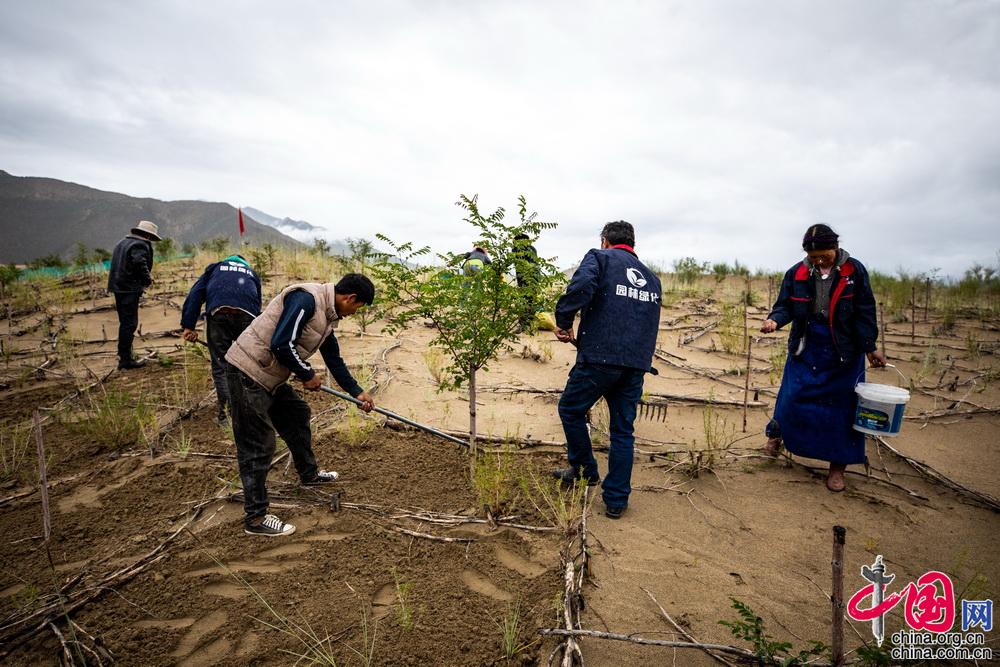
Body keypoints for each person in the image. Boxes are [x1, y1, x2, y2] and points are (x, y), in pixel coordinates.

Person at [225, 273, 377, 537]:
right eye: (358, 307)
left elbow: (334, 360)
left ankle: (309, 474)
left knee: (296, 414)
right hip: (247, 371)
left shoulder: (327, 317)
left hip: (268, 375)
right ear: (350, 298)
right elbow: (281, 344)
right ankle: (256, 518)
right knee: (258, 445)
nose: (355, 312)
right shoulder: (306, 299)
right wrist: (306, 374)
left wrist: (357, 392)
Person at [760, 224, 886, 492]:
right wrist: (774, 321)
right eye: (813, 257)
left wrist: (870, 346)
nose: (818, 261)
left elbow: (865, 310)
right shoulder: (797, 272)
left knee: (841, 410)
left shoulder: (855, 270)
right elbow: (784, 306)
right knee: (791, 397)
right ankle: (776, 436)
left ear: (835, 248)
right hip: (806, 346)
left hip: (844, 350)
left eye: (823, 256)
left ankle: (837, 468)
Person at [552, 221, 662, 519]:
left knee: (571, 409)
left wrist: (563, 321)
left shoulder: (599, 258)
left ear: (604, 241)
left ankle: (585, 471)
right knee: (623, 432)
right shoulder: (652, 278)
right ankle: (616, 501)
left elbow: (581, 286)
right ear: (632, 243)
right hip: (636, 364)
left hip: (600, 358)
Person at [180, 255, 262, 425]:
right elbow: (257, 303)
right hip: (247, 315)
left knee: (221, 366)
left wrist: (189, 325)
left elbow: (195, 294)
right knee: (247, 363)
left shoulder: (215, 268)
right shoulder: (251, 273)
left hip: (219, 312)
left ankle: (227, 416)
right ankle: (251, 410)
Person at [107, 220, 160, 369]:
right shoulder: (140, 245)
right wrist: (147, 279)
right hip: (128, 288)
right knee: (129, 324)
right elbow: (139, 262)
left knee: (125, 322)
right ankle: (125, 359)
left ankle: (125, 355)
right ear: (148, 235)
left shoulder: (122, 242)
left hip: (118, 287)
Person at [513, 233, 541, 329]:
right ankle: (528, 323)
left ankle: (523, 324)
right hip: (534, 279)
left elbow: (509, 261)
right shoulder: (532, 249)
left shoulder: (516, 249)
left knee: (524, 301)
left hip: (524, 279)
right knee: (531, 300)